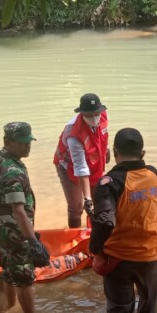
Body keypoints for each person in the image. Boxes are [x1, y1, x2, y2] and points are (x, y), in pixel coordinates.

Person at [89, 128, 157, 313]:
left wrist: (94, 249)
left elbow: (106, 220)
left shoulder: (109, 183)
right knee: (148, 300)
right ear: (142, 153)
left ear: (113, 153)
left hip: (118, 258)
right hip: (150, 254)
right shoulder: (154, 173)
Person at [0, 122, 50, 313]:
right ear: (8, 142)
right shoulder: (13, 171)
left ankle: (9, 307)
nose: (27, 147)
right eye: (22, 143)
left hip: (0, 227)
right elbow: (19, 210)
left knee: (8, 269)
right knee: (24, 277)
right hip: (16, 233)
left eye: (29, 142)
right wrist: (33, 242)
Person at [53, 93, 111, 228]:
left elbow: (104, 133)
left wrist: (106, 149)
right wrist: (87, 198)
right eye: (89, 116)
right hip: (69, 165)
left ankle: (93, 235)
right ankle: (74, 240)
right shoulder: (74, 133)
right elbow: (81, 167)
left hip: (93, 159)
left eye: (96, 114)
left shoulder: (103, 115)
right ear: (82, 114)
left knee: (99, 202)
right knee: (77, 207)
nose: (94, 118)